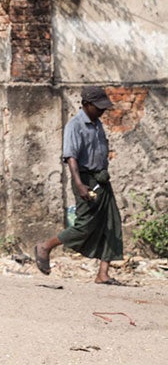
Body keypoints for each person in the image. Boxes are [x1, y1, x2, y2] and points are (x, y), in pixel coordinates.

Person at [34, 86, 124, 285]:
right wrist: (79, 184)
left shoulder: (97, 124)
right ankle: (46, 246)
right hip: (85, 180)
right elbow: (71, 157)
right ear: (86, 105)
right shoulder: (75, 125)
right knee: (85, 225)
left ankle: (103, 274)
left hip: (101, 180)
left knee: (112, 223)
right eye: (98, 107)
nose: (102, 111)